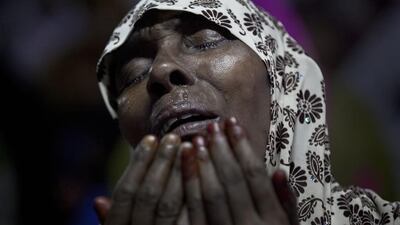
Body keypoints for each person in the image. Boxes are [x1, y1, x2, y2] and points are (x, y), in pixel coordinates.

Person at [93, 0, 400, 224]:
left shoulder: (346, 134)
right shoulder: (127, 172)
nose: (159, 70)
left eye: (205, 41)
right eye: (133, 74)